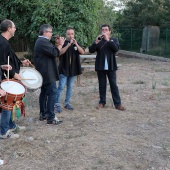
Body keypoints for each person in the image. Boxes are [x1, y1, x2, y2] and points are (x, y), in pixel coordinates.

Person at [0, 19, 30, 139]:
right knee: (8, 104)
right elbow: (2, 63)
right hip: (6, 78)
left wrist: (21, 62)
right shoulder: (2, 43)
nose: (15, 29)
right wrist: (13, 73)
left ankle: (11, 125)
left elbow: (9, 59)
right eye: (14, 27)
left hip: (10, 76)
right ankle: (4, 132)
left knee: (12, 104)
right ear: (9, 29)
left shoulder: (5, 42)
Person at [89, 24, 125, 111]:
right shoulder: (98, 40)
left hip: (111, 67)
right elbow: (91, 50)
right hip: (100, 67)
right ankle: (102, 102)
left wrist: (108, 40)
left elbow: (116, 49)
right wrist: (95, 42)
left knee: (113, 85)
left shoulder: (113, 40)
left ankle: (117, 104)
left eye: (106, 30)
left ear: (109, 31)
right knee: (102, 85)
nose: (104, 31)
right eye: (103, 30)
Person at [34, 24, 65, 125]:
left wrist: (57, 45)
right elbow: (54, 53)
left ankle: (43, 114)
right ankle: (50, 117)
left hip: (44, 72)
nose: (52, 34)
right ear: (45, 32)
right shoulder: (42, 41)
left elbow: (52, 51)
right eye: (50, 32)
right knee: (52, 93)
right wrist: (60, 44)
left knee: (44, 93)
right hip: (47, 73)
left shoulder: (43, 41)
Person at [54, 27, 84, 113]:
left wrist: (76, 44)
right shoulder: (63, 43)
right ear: (66, 35)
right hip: (64, 69)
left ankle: (67, 103)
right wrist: (68, 45)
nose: (70, 35)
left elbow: (82, 52)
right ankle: (56, 104)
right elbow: (59, 53)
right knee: (61, 87)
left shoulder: (76, 43)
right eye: (68, 34)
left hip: (73, 69)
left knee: (70, 87)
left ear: (74, 35)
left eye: (72, 34)